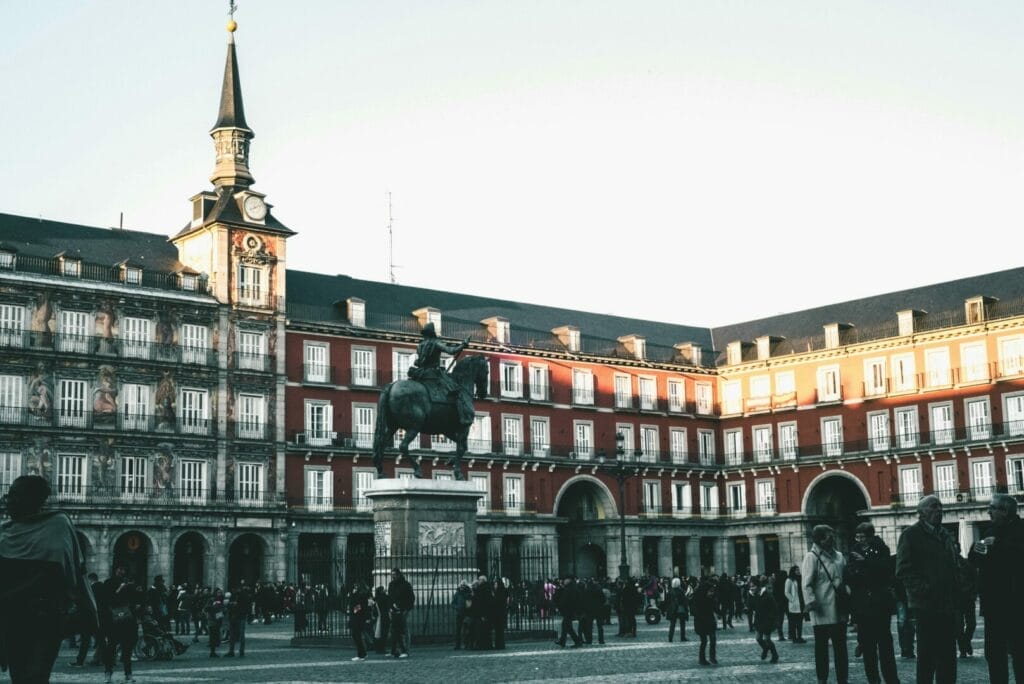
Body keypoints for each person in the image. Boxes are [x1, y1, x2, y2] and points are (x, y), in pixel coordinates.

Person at [0, 475, 95, 684]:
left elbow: (60, 573)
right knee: (18, 676)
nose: (8, 499)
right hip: (11, 617)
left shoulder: (57, 525)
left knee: (36, 676)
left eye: (16, 494)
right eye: (10, 493)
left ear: (34, 499)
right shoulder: (4, 530)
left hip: (44, 615)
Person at [896, 494, 959, 684]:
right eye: (933, 507)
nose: (939, 510)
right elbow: (903, 569)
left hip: (948, 603)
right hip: (926, 605)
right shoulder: (911, 535)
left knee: (948, 656)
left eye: (940, 507)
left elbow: (954, 565)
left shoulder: (945, 535)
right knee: (927, 656)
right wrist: (925, 589)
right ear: (921, 513)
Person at [968, 492, 1024, 684]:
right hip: (993, 603)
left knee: (1020, 651)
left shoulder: (1021, 529)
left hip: (1017, 603)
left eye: (992, 508)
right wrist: (974, 551)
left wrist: (999, 545)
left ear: (1005, 511)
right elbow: (976, 561)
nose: (989, 511)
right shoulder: (990, 529)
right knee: (994, 653)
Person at [847, 521, 898, 684]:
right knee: (868, 647)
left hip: (880, 603)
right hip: (862, 605)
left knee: (885, 645)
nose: (859, 539)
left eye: (862, 536)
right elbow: (850, 574)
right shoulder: (853, 550)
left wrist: (865, 563)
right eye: (857, 536)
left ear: (870, 536)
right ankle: (873, 680)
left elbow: (886, 571)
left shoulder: (882, 549)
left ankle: (891, 679)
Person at [802, 524, 849, 684]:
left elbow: (845, 578)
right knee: (821, 649)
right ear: (820, 539)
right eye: (829, 536)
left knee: (841, 648)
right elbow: (806, 583)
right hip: (821, 610)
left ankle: (843, 679)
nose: (833, 538)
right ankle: (822, 679)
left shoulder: (839, 556)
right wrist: (811, 602)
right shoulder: (812, 557)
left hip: (839, 607)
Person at [408, 323, 474, 425]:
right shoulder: (436, 343)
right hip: (433, 374)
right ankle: (462, 417)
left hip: (420, 373)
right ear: (432, 333)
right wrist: (463, 345)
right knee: (457, 390)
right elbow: (451, 351)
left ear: (425, 334)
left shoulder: (420, 345)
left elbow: (419, 361)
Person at [101, 564, 140, 683]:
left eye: (123, 569)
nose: (121, 571)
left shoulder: (127, 583)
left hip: (127, 621)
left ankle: (128, 674)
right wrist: (120, 589)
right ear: (115, 570)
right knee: (111, 648)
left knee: (127, 649)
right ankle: (108, 673)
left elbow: (134, 599)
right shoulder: (108, 583)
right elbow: (107, 599)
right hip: (113, 621)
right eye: (119, 569)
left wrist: (136, 593)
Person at [953, 543, 977, 659]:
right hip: (955, 599)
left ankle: (966, 642)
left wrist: (974, 593)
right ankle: (963, 649)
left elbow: (975, 578)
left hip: (968, 597)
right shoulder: (947, 565)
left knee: (972, 624)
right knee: (958, 626)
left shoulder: (967, 563)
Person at [387, 568, 415, 658]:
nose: (393, 576)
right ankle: (394, 650)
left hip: (403, 610)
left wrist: (406, 608)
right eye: (392, 574)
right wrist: (391, 607)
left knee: (404, 630)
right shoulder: (391, 585)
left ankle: (406, 650)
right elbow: (390, 597)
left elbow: (411, 598)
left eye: (394, 574)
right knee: (394, 631)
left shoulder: (406, 585)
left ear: (399, 575)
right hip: (393, 611)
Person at [752, 575, 779, 664]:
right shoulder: (753, 595)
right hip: (758, 620)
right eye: (751, 586)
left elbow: (774, 607)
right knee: (758, 638)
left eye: (753, 586)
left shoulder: (767, 594)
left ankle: (774, 655)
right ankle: (765, 648)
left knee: (767, 639)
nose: (752, 588)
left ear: (758, 586)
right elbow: (751, 606)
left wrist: (772, 619)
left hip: (767, 620)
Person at [691, 578, 718, 665]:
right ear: (705, 591)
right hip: (701, 622)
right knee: (704, 641)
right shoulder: (698, 599)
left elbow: (715, 608)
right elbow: (694, 611)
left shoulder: (711, 598)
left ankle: (712, 657)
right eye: (710, 591)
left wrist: (720, 612)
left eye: (712, 591)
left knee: (713, 639)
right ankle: (702, 659)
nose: (712, 593)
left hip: (710, 621)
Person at [554, 576, 582, 648]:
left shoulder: (570, 589)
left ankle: (577, 641)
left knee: (567, 626)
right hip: (569, 610)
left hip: (569, 610)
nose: (564, 581)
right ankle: (563, 641)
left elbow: (568, 600)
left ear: (569, 580)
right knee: (566, 626)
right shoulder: (570, 588)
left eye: (565, 579)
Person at [783, 565, 806, 643]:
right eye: (796, 570)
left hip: (801, 602)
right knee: (793, 622)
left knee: (800, 622)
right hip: (794, 603)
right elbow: (786, 592)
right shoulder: (789, 580)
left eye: (799, 570)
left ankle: (799, 636)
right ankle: (794, 637)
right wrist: (792, 599)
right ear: (793, 571)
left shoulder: (801, 579)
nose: (798, 571)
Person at [348, 582, 371, 661]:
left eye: (356, 586)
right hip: (358, 617)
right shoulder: (361, 594)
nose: (354, 587)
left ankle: (361, 654)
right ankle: (362, 653)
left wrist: (354, 611)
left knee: (357, 636)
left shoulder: (360, 595)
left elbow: (360, 606)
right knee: (357, 636)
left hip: (358, 618)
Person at [665, 576, 687, 642]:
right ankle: (682, 637)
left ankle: (670, 637)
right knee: (682, 624)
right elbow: (684, 601)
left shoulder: (670, 591)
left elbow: (667, 601)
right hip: (680, 609)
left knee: (672, 624)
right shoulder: (681, 591)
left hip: (672, 609)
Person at [452, 580, 471, 650]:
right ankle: (458, 645)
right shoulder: (457, 593)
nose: (462, 586)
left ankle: (466, 644)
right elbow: (453, 603)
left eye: (464, 585)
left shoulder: (469, 592)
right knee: (458, 630)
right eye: (461, 585)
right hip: (459, 613)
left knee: (466, 630)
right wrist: (457, 607)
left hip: (467, 613)